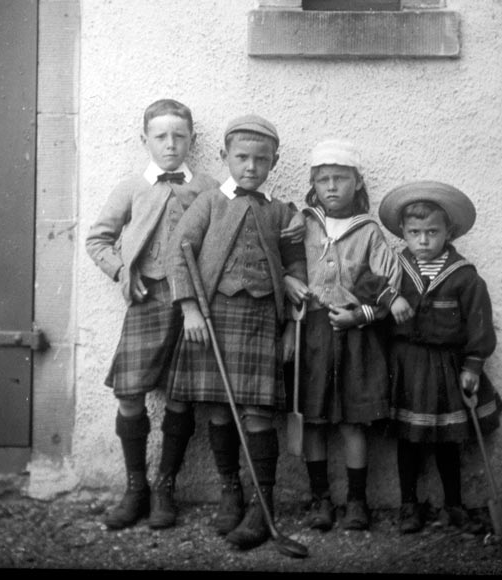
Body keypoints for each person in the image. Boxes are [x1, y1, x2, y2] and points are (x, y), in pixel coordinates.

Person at [166, 114, 307, 551]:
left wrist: (292, 294)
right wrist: (189, 307)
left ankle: (261, 505)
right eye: (242, 158)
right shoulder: (210, 202)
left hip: (264, 318)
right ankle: (231, 490)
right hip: (213, 317)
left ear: (275, 162)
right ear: (225, 157)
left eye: (261, 160)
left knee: (259, 413)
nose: (251, 167)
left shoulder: (282, 211)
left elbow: (295, 263)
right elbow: (179, 251)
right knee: (220, 410)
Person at [85, 99, 220, 531]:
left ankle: (165, 487)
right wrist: (122, 271)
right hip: (146, 302)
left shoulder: (207, 188)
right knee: (129, 393)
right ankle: (135, 487)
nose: (170, 144)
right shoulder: (131, 187)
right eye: (160, 136)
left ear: (192, 141)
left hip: (191, 306)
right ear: (144, 139)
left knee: (181, 396)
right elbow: (98, 240)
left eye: (179, 136)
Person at [289, 140, 412, 532]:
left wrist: (361, 315)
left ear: (357, 182)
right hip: (312, 333)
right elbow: (283, 264)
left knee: (353, 421)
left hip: (357, 336)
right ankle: (320, 498)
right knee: (313, 418)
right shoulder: (301, 223)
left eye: (340, 178)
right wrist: (290, 285)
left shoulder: (369, 232)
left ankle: (357, 501)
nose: (331, 187)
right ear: (312, 183)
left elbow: (391, 287)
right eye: (323, 179)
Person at [377, 181, 502, 535]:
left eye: (432, 232)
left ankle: (454, 504)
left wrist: (473, 367)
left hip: (447, 367)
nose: (422, 240)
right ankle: (408, 505)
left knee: (448, 440)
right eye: (414, 232)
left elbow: (479, 324)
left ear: (449, 232)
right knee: (409, 439)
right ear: (402, 231)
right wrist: (390, 299)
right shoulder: (394, 265)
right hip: (406, 365)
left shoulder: (464, 277)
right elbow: (365, 284)